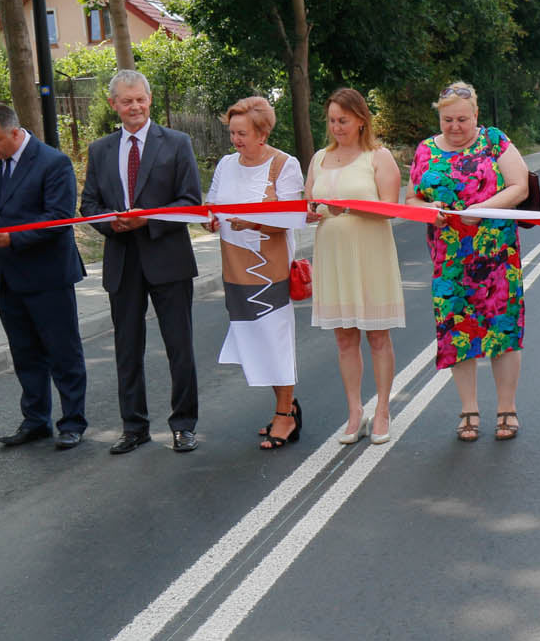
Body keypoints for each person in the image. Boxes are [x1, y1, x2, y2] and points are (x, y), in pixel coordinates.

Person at [80, 69, 203, 455]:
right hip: (122, 260)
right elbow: (89, 206)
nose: (135, 106)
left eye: (140, 99)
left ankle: (183, 425)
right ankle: (134, 427)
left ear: (149, 100)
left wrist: (148, 217)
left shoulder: (177, 143)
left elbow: (190, 203)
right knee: (127, 349)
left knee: (179, 347)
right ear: (113, 104)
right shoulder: (100, 150)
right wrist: (111, 224)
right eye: (126, 100)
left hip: (168, 257)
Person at [408, 81, 530, 442]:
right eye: (448, 120)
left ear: (476, 114)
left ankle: (506, 408)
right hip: (449, 262)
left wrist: (483, 208)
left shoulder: (494, 141)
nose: (455, 127)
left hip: (495, 256)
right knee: (457, 334)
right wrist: (427, 209)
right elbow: (411, 199)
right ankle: (468, 409)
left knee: (502, 330)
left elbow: (519, 185)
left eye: (462, 119)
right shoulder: (426, 150)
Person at [0, 102, 88, 449]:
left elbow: (59, 218)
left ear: (15, 133)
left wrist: (15, 238)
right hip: (7, 276)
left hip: (48, 276)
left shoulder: (54, 163)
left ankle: (73, 422)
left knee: (63, 353)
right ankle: (35, 421)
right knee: (25, 353)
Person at [204, 97, 306, 449]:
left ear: (262, 133)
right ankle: (286, 406)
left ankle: (285, 415)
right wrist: (210, 218)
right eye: (232, 133)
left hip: (271, 268)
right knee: (255, 340)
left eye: (242, 133)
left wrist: (256, 220)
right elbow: (212, 204)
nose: (236, 140)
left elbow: (293, 217)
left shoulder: (284, 165)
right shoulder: (226, 165)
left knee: (275, 337)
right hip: (234, 265)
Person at [305, 88, 405, 445]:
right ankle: (354, 412)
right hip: (332, 256)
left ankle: (382, 411)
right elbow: (309, 206)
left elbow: (391, 209)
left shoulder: (378, 157)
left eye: (343, 121)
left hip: (370, 254)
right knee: (344, 338)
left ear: (361, 120)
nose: (337, 127)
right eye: (332, 121)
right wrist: (312, 213)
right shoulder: (319, 158)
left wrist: (346, 207)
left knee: (377, 336)